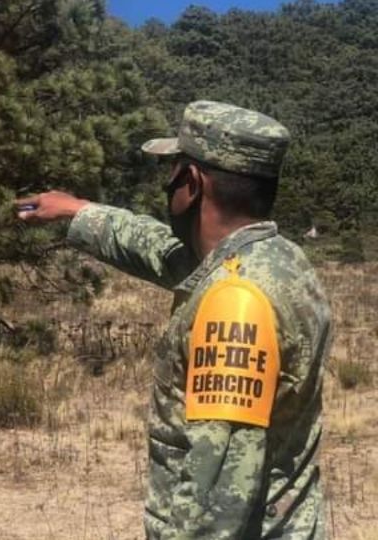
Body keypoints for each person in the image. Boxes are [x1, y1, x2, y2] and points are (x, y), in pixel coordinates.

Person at [17, 101, 332, 539]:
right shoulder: (277, 260)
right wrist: (79, 211)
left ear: (191, 182)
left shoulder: (234, 302)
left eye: (171, 173)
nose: (166, 189)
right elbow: (161, 251)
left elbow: (216, 497)